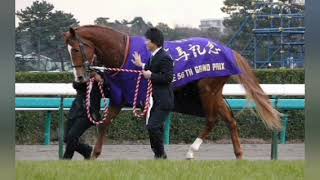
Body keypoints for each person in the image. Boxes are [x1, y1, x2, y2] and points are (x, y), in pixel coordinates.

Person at [132, 27, 174, 159]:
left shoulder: (165, 57)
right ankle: (159, 156)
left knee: (152, 126)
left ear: (154, 42)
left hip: (164, 100)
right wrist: (142, 65)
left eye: (148, 40)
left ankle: (160, 155)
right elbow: (153, 68)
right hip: (156, 100)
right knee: (155, 128)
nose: (146, 43)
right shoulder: (154, 56)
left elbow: (168, 77)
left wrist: (151, 75)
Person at [63, 73, 107, 160]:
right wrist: (85, 78)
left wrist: (101, 80)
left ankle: (65, 161)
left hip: (89, 112)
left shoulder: (101, 73)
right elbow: (75, 85)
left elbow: (106, 88)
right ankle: (85, 150)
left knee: (72, 136)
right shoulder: (82, 72)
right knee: (67, 138)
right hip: (76, 109)